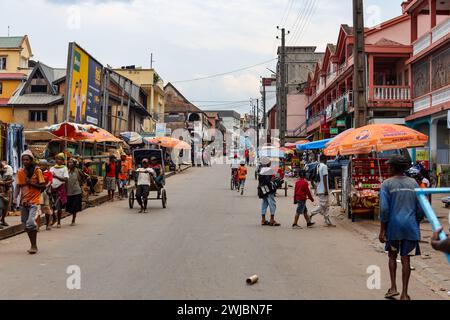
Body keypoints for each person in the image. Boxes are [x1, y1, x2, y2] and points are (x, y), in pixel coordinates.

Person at [379, 155, 424, 301]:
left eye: (389, 166)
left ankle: (393, 288)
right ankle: (404, 293)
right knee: (406, 259)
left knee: (392, 256)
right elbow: (420, 208)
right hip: (410, 227)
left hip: (393, 228)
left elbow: (384, 210)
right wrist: (416, 221)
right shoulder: (414, 184)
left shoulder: (386, 184)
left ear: (393, 167)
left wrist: (382, 230)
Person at [16, 150, 46, 254]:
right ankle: (32, 244)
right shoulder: (20, 171)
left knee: (30, 223)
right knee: (26, 226)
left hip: (34, 201)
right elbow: (18, 187)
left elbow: (43, 186)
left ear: (31, 160)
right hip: (24, 202)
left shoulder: (37, 171)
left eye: (27, 159)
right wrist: (16, 200)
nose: (25, 161)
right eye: (23, 160)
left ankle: (34, 246)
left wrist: (31, 184)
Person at [310, 154, 335, 227]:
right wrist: (326, 189)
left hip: (319, 188)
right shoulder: (324, 166)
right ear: (325, 159)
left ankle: (327, 220)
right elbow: (324, 178)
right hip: (323, 189)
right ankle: (311, 213)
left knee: (326, 205)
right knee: (322, 205)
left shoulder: (318, 166)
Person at [258, 157, 280, 227]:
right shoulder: (269, 170)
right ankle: (272, 220)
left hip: (262, 189)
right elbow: (269, 181)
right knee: (272, 204)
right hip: (269, 189)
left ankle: (263, 220)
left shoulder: (261, 170)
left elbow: (261, 181)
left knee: (264, 203)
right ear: (268, 163)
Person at [50, 153, 69, 228]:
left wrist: (56, 176)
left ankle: (58, 222)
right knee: (51, 206)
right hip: (52, 188)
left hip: (60, 189)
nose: (58, 160)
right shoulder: (52, 168)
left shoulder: (64, 168)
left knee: (59, 207)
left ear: (63, 161)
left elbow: (66, 179)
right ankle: (54, 218)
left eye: (60, 159)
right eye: (57, 159)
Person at [66, 159, 84, 226]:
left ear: (74, 164)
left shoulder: (78, 171)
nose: (69, 164)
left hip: (76, 191)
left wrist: (80, 185)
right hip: (68, 191)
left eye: (71, 162)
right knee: (70, 207)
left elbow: (83, 177)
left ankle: (73, 220)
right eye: (69, 162)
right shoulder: (66, 171)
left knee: (74, 207)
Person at [39, 160, 53, 231]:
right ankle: (37, 225)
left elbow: (50, 181)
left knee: (47, 208)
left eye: (42, 165)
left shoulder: (49, 173)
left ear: (46, 166)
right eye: (40, 165)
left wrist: (46, 186)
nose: (41, 166)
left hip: (45, 192)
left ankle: (48, 224)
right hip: (38, 192)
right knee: (38, 209)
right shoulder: (37, 172)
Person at [0, 161, 13, 229]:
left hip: (5, 192)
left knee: (5, 207)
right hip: (1, 193)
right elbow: (1, 182)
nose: (3, 169)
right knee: (1, 207)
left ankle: (3, 220)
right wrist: (9, 181)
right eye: (2, 168)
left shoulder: (7, 170)